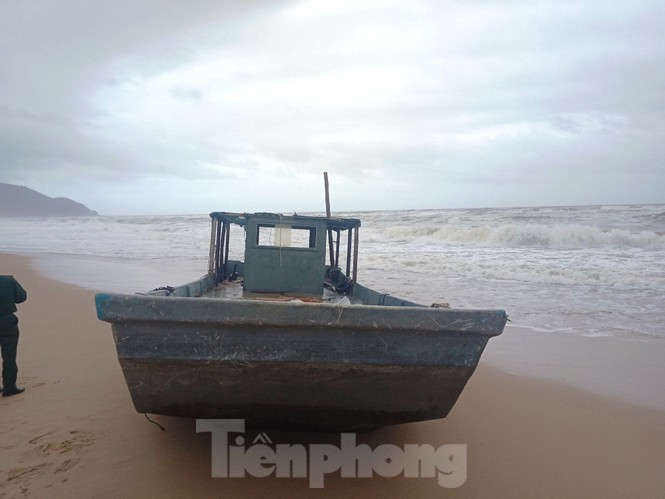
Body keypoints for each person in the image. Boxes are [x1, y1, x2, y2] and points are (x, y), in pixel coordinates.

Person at [0, 274, 27, 397]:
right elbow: (22, 297)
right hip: (7, 321)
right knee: (9, 356)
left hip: (6, 320)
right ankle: (9, 387)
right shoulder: (8, 280)